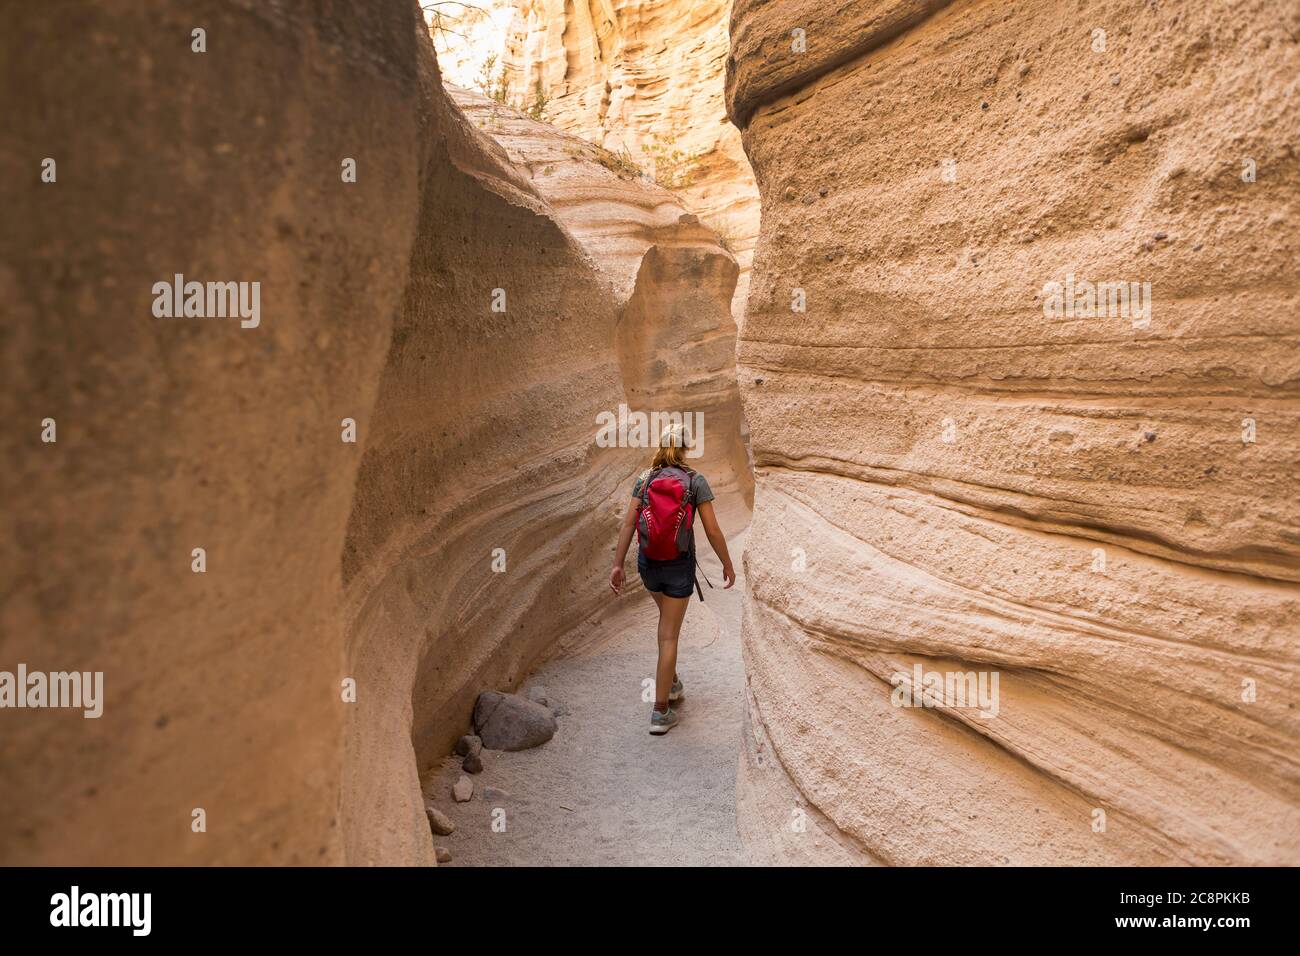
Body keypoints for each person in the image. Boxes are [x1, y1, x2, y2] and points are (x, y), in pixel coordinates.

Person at [609, 423, 735, 735]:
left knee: (665, 625)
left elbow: (628, 524)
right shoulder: (695, 481)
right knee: (668, 636)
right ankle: (660, 711)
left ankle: (672, 682)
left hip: (648, 566)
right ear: (685, 449)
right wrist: (727, 563)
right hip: (679, 567)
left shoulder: (645, 479)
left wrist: (617, 565)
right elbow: (713, 529)